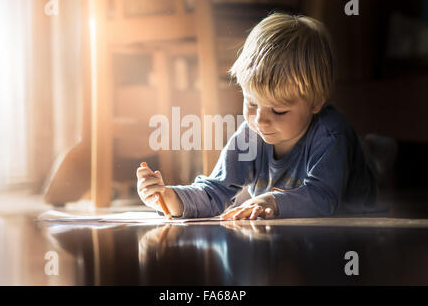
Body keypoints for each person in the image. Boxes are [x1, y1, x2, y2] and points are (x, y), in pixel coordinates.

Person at [137, 12, 383, 220]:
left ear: (316, 103)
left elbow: (324, 197)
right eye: (252, 103)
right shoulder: (250, 133)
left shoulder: (330, 133)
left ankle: (375, 150)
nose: (261, 120)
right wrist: (169, 197)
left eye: (278, 110)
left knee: (373, 163)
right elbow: (215, 190)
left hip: (354, 205)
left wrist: (273, 202)